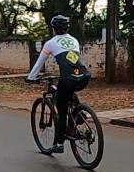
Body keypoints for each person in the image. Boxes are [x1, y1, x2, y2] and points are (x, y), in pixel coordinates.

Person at [26, 15, 91, 154]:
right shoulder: (74, 40)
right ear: (67, 27)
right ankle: (79, 114)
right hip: (84, 76)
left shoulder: (50, 43)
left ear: (53, 28)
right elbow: (72, 61)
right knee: (68, 90)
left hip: (67, 78)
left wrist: (31, 77)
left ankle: (59, 144)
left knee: (62, 112)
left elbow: (39, 63)